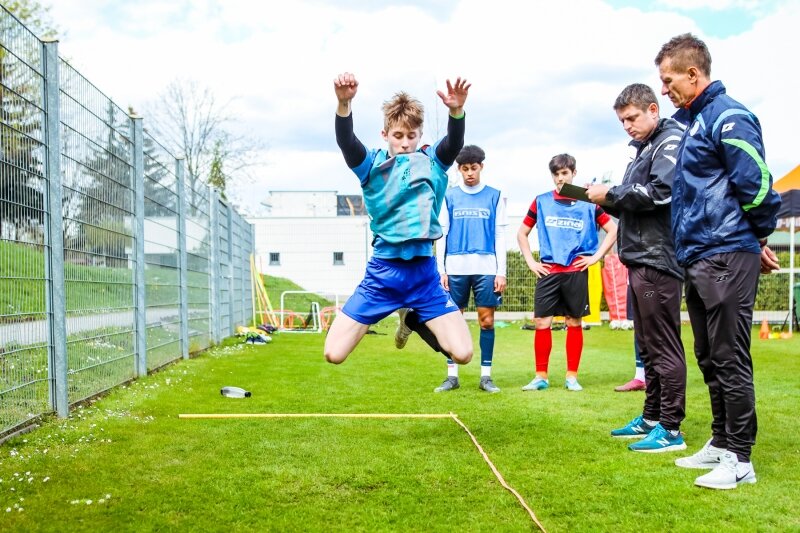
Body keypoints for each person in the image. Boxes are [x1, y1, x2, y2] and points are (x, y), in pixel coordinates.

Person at [654, 34, 781, 488]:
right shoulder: (695, 123)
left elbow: (757, 186)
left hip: (726, 252)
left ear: (693, 74)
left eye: (668, 80)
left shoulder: (729, 117)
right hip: (701, 254)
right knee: (708, 354)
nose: (664, 89)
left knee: (729, 355)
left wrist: (755, 236)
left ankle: (741, 459)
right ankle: (722, 441)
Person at [324, 72, 474, 368]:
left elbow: (453, 144)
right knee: (334, 353)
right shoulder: (371, 165)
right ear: (385, 135)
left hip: (423, 277)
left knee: (463, 353)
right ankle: (391, 313)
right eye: (398, 136)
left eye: (411, 136)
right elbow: (347, 142)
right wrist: (344, 104)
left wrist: (456, 112)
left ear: (419, 136)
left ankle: (413, 319)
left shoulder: (431, 162)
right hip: (382, 275)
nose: (405, 143)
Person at [587, 83, 688, 453]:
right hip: (640, 257)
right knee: (647, 346)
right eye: (622, 121)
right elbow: (633, 201)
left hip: (658, 258)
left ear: (653, 110)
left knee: (663, 345)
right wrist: (600, 198)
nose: (627, 126)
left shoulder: (670, 140)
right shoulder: (644, 147)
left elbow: (661, 192)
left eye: (632, 118)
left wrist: (611, 192)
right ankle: (651, 417)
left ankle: (671, 429)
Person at [518, 154, 617, 392]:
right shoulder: (541, 201)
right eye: (556, 174)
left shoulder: (589, 202)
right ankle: (541, 377)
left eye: (564, 173)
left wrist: (595, 257)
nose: (560, 178)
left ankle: (572, 377)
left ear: (574, 173)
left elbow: (613, 229)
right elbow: (522, 233)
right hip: (548, 271)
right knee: (541, 322)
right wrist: (531, 262)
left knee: (574, 321)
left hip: (576, 271)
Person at [433, 145, 508, 393]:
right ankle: (451, 376)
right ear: (459, 169)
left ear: (481, 167)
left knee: (487, 321)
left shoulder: (495, 196)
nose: (469, 173)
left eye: (473, 168)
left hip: (486, 268)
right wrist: (441, 271)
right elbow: (441, 234)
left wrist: (501, 272)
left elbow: (499, 235)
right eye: (465, 169)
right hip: (455, 268)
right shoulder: (449, 196)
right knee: (453, 322)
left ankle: (486, 377)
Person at [615, 287, 646, 392]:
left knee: (655, 324)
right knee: (639, 325)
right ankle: (640, 377)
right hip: (636, 281)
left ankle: (659, 376)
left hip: (657, 282)